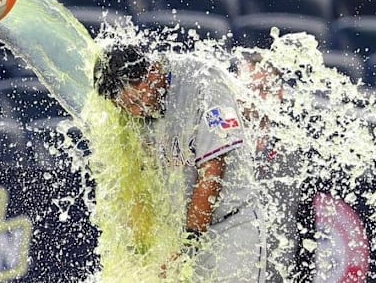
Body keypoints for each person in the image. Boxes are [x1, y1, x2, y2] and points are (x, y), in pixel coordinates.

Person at [92, 42, 267, 282]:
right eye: (125, 106)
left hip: (231, 228)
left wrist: (187, 246)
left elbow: (212, 174)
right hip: (181, 233)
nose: (133, 112)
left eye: (134, 102)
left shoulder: (205, 83)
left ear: (152, 73)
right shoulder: (131, 112)